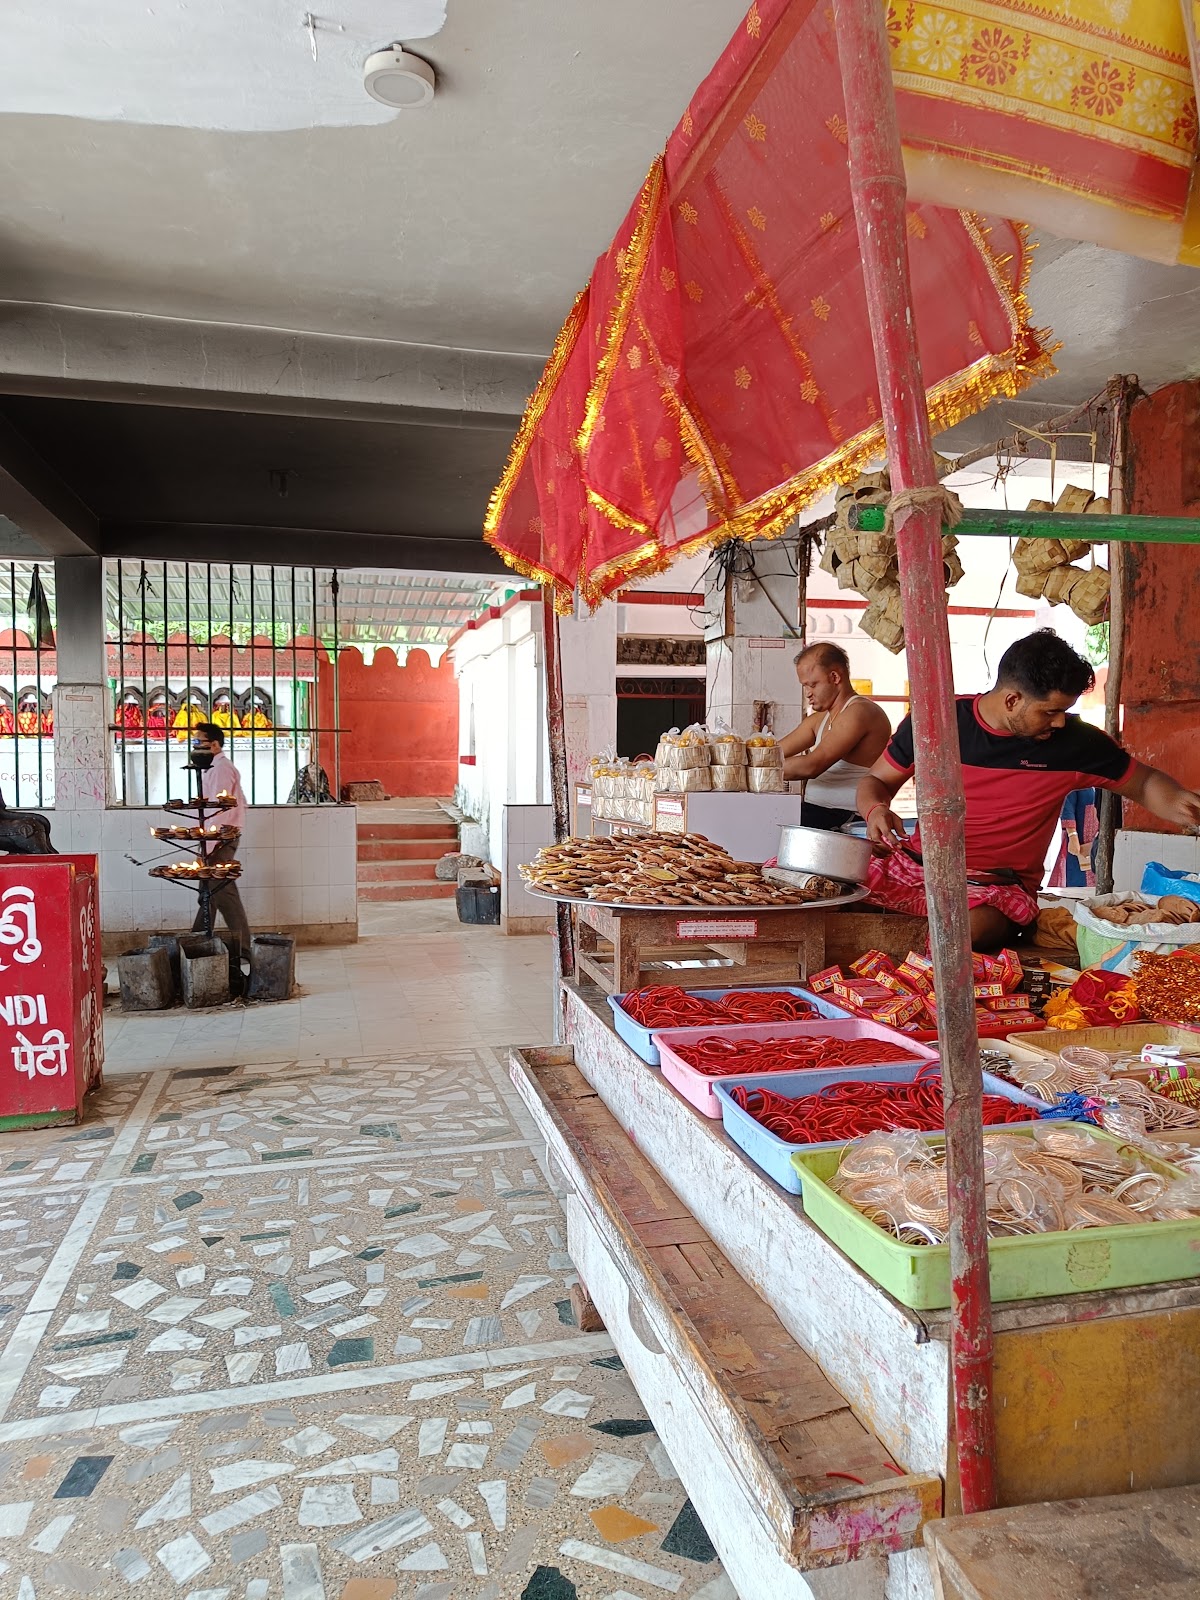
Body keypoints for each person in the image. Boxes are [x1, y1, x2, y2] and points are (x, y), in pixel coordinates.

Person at [856, 630, 1200, 951]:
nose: (1060, 722)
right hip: (913, 869)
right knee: (831, 891)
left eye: (1064, 711)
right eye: (1050, 711)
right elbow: (876, 782)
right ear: (1012, 700)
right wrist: (876, 810)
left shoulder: (1076, 744)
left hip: (998, 888)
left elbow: (1145, 782)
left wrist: (1185, 805)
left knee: (961, 931)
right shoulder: (936, 721)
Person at [778, 643, 891, 830]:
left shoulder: (860, 712)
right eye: (804, 686)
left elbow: (811, 765)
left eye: (812, 685)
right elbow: (773, 754)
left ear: (834, 677)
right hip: (818, 812)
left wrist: (755, 772)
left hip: (846, 818)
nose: (808, 694)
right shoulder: (820, 719)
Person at [191, 721, 252, 953]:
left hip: (220, 837)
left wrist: (211, 842)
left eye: (199, 742)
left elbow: (220, 808)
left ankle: (244, 948)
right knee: (207, 891)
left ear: (214, 745)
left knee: (223, 890)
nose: (195, 746)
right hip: (213, 837)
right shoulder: (215, 768)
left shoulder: (222, 769)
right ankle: (196, 940)